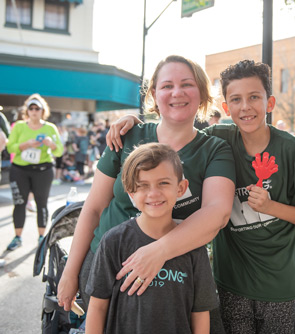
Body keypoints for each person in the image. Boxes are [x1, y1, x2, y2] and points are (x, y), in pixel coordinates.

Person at [111, 59, 295, 334]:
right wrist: (136, 122)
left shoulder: (294, 150)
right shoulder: (217, 139)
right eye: (236, 99)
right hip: (231, 280)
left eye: (254, 97)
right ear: (226, 108)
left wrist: (272, 207)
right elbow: (178, 131)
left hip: (279, 281)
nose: (245, 107)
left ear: (269, 103)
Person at [57, 55, 236, 323]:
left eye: (187, 84)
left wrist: (158, 251)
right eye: (166, 86)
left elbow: (217, 214)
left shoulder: (214, 150)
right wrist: (70, 273)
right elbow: (93, 208)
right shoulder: (126, 136)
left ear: (201, 93)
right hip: (106, 266)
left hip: (174, 270)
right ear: (154, 94)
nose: (176, 92)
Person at [86, 143, 217, 334]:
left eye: (163, 183)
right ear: (131, 193)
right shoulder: (114, 241)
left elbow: (200, 312)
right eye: (142, 186)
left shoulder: (193, 247)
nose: (153, 193)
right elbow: (97, 307)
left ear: (181, 188)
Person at [5, 94, 63, 251]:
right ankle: (17, 237)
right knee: (19, 203)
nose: (34, 111)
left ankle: (41, 237)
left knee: (41, 203)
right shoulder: (19, 126)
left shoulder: (50, 127)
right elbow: (10, 148)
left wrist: (51, 145)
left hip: (43, 170)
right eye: (31, 108)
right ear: (27, 111)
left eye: (37, 108)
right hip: (20, 170)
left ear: (43, 110)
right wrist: (25, 144)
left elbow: (59, 151)